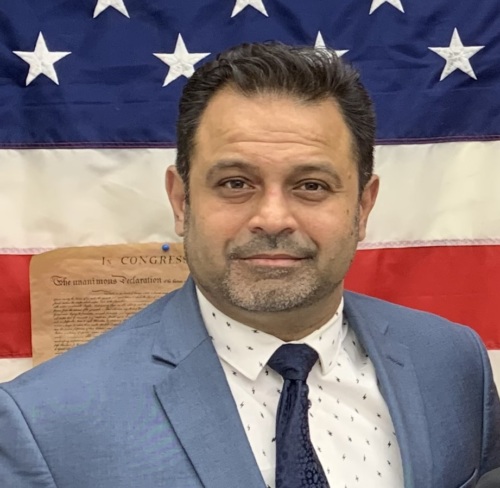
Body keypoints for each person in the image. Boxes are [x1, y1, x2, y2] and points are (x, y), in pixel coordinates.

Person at [0, 42, 499, 488]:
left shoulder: (455, 365)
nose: (273, 218)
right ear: (181, 201)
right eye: (236, 183)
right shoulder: (44, 422)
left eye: (312, 185)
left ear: (363, 208)